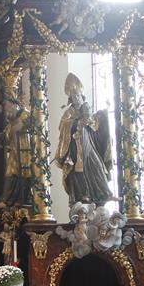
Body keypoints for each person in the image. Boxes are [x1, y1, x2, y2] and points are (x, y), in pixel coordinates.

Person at [54, 73, 113, 207]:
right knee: (77, 170)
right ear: (70, 99)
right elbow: (63, 126)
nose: (76, 99)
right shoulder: (69, 112)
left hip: (88, 143)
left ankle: (104, 193)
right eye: (73, 97)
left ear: (82, 96)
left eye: (78, 96)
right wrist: (76, 123)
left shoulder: (86, 108)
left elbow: (92, 123)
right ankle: (82, 194)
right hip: (75, 147)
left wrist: (101, 115)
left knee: (97, 164)